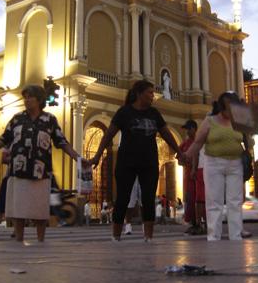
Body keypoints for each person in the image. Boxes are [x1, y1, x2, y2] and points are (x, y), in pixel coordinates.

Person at [0, 85, 87, 243]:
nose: (26, 100)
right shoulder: (17, 119)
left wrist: (78, 158)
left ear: (39, 99)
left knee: (39, 210)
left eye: (29, 97)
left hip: (41, 171)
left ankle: (40, 240)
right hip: (19, 170)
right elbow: (2, 139)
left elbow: (62, 141)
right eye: (25, 97)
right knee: (19, 209)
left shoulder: (49, 120)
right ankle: (19, 239)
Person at [89, 80, 181, 242]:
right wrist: (97, 155)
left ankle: (148, 236)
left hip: (149, 162)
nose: (153, 95)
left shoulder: (154, 113)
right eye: (150, 92)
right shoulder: (124, 112)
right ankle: (116, 235)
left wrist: (180, 152)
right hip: (127, 162)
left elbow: (166, 134)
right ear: (139, 94)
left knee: (148, 198)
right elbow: (108, 135)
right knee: (123, 198)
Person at [185, 91, 249, 241]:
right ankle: (213, 236)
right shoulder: (210, 121)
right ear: (221, 107)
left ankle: (236, 236)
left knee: (235, 201)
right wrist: (187, 155)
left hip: (235, 164)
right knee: (214, 201)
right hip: (214, 163)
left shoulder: (239, 121)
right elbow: (198, 142)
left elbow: (248, 141)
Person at [179, 120, 197, 234]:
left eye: (189, 128)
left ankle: (199, 222)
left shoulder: (198, 141)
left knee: (198, 198)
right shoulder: (185, 143)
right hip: (187, 175)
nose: (187, 131)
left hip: (198, 174)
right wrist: (184, 161)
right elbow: (178, 158)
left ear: (194, 129)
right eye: (186, 129)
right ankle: (193, 223)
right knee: (189, 199)